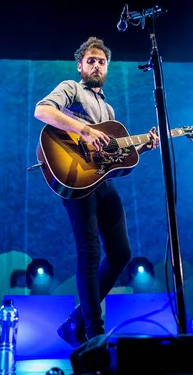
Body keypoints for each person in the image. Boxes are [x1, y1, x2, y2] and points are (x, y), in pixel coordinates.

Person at [34, 36, 159, 347]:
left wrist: (143, 147)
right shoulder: (72, 88)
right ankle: (93, 332)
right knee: (89, 251)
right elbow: (42, 111)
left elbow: (114, 160)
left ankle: (76, 320)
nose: (96, 65)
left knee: (121, 254)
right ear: (80, 65)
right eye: (90, 60)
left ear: (107, 68)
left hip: (101, 181)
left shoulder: (109, 108)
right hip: (75, 177)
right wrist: (84, 130)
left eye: (101, 61)